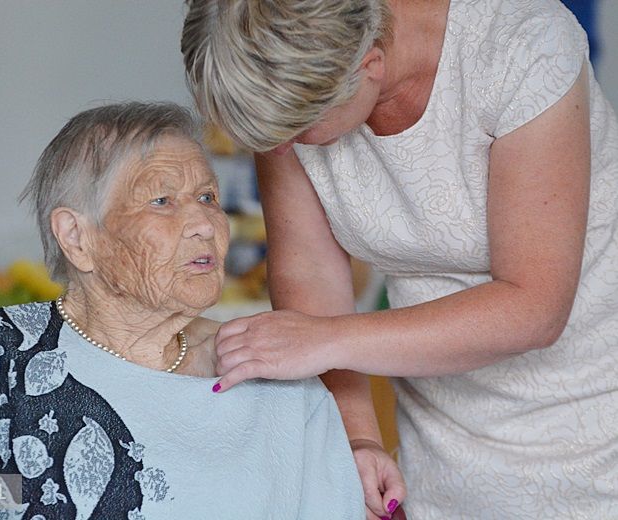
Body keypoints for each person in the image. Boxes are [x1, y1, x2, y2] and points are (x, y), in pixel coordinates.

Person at [181, 0, 618, 518]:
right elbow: (311, 277)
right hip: (438, 433)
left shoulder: (522, 43)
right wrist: (358, 439)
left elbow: (536, 307)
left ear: (368, 65)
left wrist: (324, 340)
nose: (280, 151)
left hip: (594, 414)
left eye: (297, 131)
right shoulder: (290, 88)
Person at [0, 102, 365, 519]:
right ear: (77, 237)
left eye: (207, 197)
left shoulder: (276, 370)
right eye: (162, 201)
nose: (205, 223)